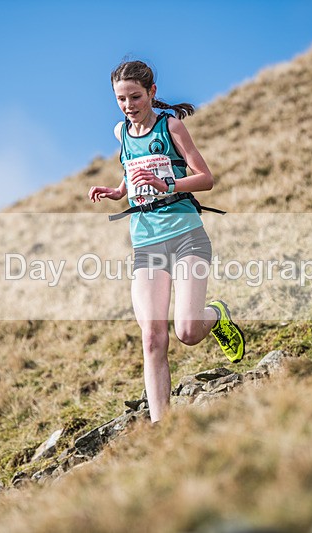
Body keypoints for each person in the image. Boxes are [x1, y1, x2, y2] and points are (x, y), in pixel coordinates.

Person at [89, 60, 245, 423]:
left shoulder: (171, 126)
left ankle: (216, 316)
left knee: (187, 331)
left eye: (135, 97)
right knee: (152, 337)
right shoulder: (120, 132)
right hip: (146, 244)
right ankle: (163, 427)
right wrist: (117, 192)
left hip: (186, 235)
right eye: (121, 99)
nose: (129, 105)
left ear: (152, 93)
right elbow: (132, 168)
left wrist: (169, 185)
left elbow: (205, 178)